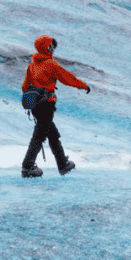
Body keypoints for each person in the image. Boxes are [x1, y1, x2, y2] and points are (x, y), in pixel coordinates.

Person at [21, 35, 90, 178]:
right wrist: (82, 85)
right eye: (52, 46)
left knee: (52, 135)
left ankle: (63, 164)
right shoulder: (51, 64)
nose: (53, 49)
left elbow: (25, 86)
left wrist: (34, 98)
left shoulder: (32, 65)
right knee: (39, 136)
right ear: (47, 47)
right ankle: (27, 167)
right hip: (47, 104)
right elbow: (67, 78)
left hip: (35, 105)